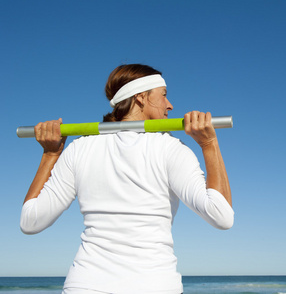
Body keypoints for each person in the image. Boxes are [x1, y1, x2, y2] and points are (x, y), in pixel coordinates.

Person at [20, 64, 234, 294]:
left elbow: (30, 221)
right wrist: (209, 145)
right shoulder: (170, 149)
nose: (170, 105)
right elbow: (221, 216)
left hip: (85, 286)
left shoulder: (79, 148)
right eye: (163, 95)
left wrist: (51, 154)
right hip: (153, 286)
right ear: (141, 97)